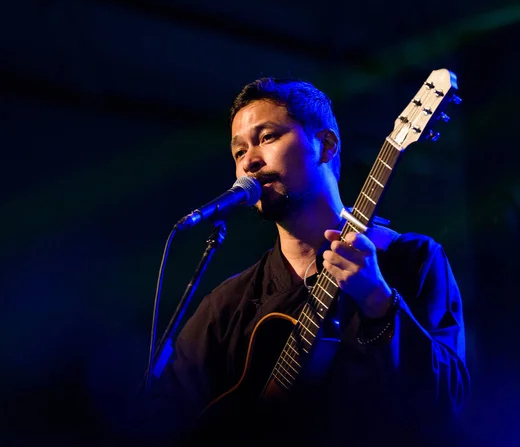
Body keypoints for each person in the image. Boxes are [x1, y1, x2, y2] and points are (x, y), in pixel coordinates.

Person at [134, 77, 470, 446]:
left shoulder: (413, 259)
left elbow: (446, 403)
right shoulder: (228, 305)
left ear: (325, 145)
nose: (250, 161)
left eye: (267, 137)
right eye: (238, 152)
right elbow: (165, 417)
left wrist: (377, 301)